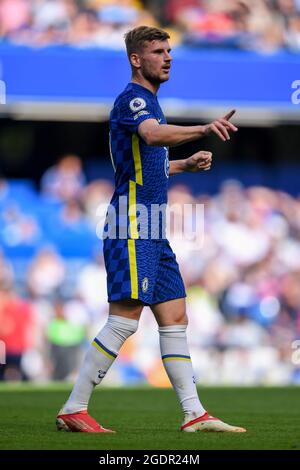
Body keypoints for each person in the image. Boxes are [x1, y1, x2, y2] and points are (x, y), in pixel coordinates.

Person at [56, 25, 246, 433]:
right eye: (158, 51)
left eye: (169, 50)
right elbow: (153, 135)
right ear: (136, 59)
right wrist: (203, 129)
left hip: (153, 226)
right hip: (131, 221)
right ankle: (74, 407)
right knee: (125, 318)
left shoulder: (151, 102)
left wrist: (184, 165)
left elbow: (147, 161)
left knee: (175, 314)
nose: (167, 56)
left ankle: (194, 413)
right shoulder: (135, 100)